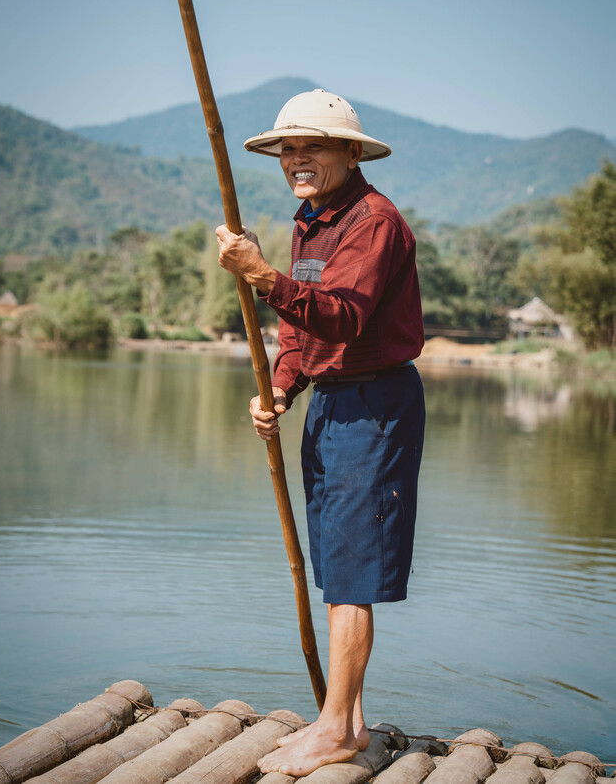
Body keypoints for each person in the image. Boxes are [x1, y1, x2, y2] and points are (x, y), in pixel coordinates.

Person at [215, 89, 425, 776]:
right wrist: (280, 388)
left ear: (348, 152)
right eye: (286, 149)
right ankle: (349, 719)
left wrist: (261, 275)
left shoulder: (373, 222)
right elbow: (301, 330)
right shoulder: (311, 219)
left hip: (374, 408)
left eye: (312, 146)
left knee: (352, 572)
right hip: (329, 407)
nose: (295, 158)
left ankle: (335, 730)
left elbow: (341, 317)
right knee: (337, 563)